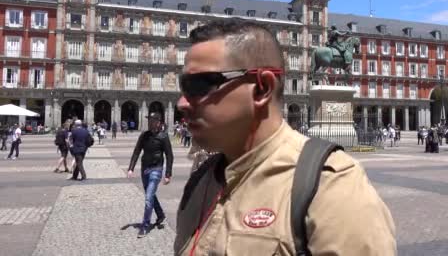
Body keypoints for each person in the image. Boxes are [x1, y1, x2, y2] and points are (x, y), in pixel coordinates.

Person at [174, 19, 395, 255]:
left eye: (199, 85)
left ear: (262, 88)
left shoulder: (331, 189)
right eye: (183, 86)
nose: (182, 103)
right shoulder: (201, 180)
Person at [127, 112, 173, 238]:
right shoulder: (144, 135)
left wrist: (168, 174)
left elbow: (169, 156)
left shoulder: (163, 137)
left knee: (148, 198)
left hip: (156, 169)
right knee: (150, 195)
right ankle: (160, 215)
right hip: (144, 169)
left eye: (153, 120)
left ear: (159, 122)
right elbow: (136, 152)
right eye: (149, 120)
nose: (150, 122)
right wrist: (131, 168)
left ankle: (145, 225)